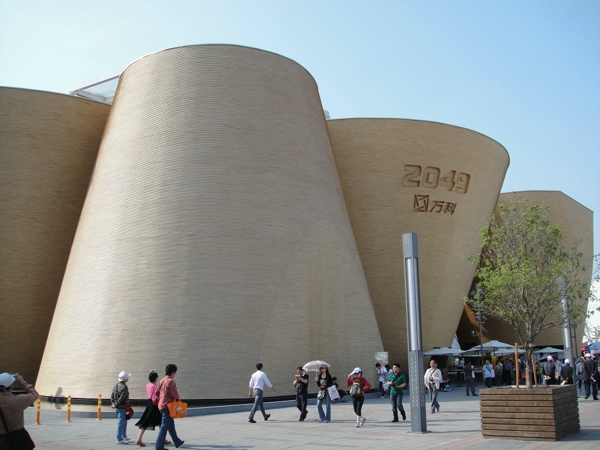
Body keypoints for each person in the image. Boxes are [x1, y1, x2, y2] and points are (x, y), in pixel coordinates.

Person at [0, 372, 37, 450]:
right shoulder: (17, 400)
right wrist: (22, 382)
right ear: (11, 387)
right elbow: (34, 394)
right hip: (16, 439)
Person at [134, 370, 171, 447]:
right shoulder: (155, 386)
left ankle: (163, 438)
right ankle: (139, 439)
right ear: (155, 378)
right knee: (157, 421)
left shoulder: (148, 385)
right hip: (155, 404)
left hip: (149, 403)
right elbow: (158, 395)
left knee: (157, 420)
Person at [155, 364, 185, 449]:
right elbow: (174, 393)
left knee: (170, 425)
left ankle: (177, 441)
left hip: (161, 405)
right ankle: (159, 446)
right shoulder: (171, 381)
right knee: (164, 427)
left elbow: (156, 392)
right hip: (168, 406)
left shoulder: (162, 380)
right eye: (175, 372)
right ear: (173, 372)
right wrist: (178, 399)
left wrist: (162, 396)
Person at [111, 371, 132, 445]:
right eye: (127, 378)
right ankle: (119, 438)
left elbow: (112, 396)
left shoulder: (115, 385)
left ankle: (124, 436)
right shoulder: (124, 387)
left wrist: (113, 403)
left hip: (118, 408)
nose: (128, 379)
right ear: (125, 379)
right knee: (121, 422)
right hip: (123, 407)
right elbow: (122, 397)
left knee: (123, 421)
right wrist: (117, 404)